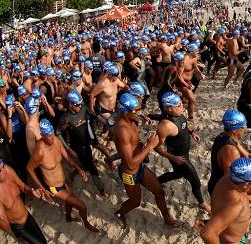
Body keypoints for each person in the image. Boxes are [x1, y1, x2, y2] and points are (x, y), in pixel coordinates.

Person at [111, 93, 179, 229]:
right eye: (135, 111)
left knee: (159, 192)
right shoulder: (121, 131)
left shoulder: (131, 120)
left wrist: (143, 143)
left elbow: (134, 144)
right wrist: (150, 146)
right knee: (135, 202)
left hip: (140, 167)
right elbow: (130, 163)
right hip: (129, 173)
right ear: (125, 113)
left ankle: (167, 218)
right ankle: (119, 213)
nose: (139, 113)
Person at [26, 119, 99, 232]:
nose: (51, 138)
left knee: (69, 201)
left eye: (52, 134)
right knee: (82, 206)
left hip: (62, 181)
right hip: (54, 187)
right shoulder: (40, 151)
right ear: (42, 135)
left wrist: (79, 169)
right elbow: (29, 169)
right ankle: (87, 224)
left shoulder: (55, 140)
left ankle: (68, 217)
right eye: (48, 136)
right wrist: (42, 189)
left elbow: (68, 159)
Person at [201, 158, 251, 244]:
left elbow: (243, 190)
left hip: (233, 233)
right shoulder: (235, 205)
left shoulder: (228, 179)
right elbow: (207, 234)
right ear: (246, 184)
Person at [154, 92, 211, 213]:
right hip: (179, 157)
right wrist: (174, 158)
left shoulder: (178, 113)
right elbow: (157, 148)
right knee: (195, 181)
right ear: (169, 108)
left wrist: (192, 132)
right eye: (179, 105)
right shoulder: (165, 125)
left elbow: (183, 124)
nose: (183, 107)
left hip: (184, 154)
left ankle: (156, 181)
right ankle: (202, 203)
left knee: (178, 174)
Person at [57, 89, 106, 196]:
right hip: (78, 147)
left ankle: (73, 174)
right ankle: (101, 189)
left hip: (87, 141)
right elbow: (58, 133)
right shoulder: (65, 118)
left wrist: (108, 123)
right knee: (92, 168)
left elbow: (95, 115)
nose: (80, 106)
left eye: (80, 104)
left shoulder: (83, 109)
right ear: (70, 104)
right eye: (77, 105)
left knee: (86, 163)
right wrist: (68, 149)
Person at [0, 159, 48, 244]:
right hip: (18, 227)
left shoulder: (7, 170)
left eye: (2, 166)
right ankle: (19, 237)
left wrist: (32, 192)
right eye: (0, 170)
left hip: (27, 216)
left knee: (44, 241)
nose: (3, 171)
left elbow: (21, 186)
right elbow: (5, 226)